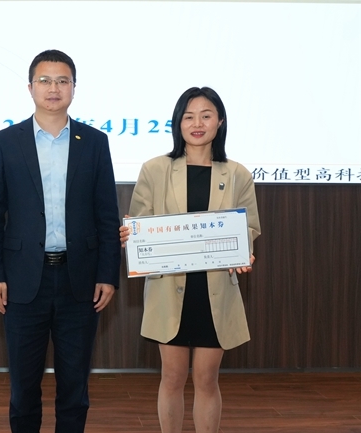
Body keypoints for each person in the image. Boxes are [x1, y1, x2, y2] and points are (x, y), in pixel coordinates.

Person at [0, 49, 122, 433]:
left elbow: (107, 216)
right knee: (23, 388)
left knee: (74, 388)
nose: (53, 88)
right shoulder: (5, 142)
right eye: (45, 80)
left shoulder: (94, 142)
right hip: (23, 281)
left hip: (81, 280)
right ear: (30, 88)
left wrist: (108, 274)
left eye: (62, 81)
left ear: (74, 88)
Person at [120, 87, 261, 433]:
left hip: (215, 288)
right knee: (171, 376)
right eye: (189, 116)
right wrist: (131, 236)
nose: (197, 124)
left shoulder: (237, 173)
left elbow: (249, 226)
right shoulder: (156, 169)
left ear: (220, 121)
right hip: (169, 288)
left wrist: (242, 251)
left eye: (206, 115)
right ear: (178, 123)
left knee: (207, 378)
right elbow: (140, 222)